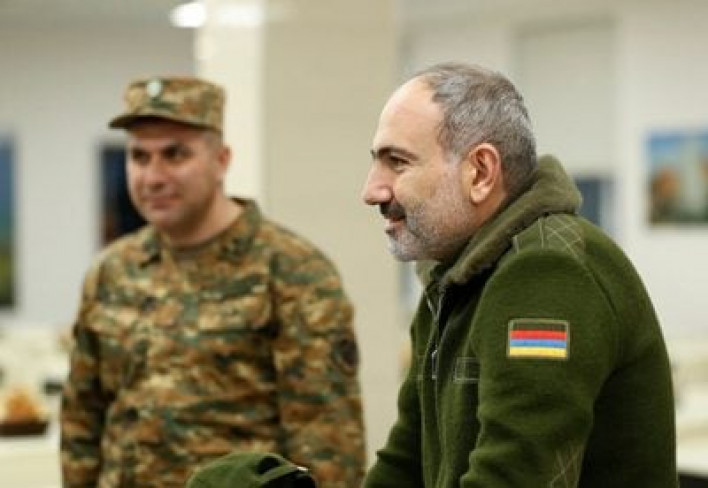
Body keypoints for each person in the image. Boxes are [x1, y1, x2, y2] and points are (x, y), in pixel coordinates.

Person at [360, 62, 678, 488]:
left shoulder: (546, 273)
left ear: (480, 172)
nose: (372, 190)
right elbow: (405, 463)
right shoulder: (451, 280)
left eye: (397, 162)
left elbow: (515, 477)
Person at [60, 77, 366, 488]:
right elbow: (81, 419)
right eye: (139, 156)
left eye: (175, 154)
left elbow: (328, 446)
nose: (153, 176)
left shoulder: (292, 271)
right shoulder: (111, 271)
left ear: (222, 161)